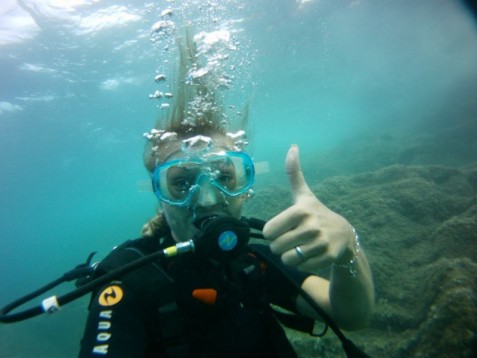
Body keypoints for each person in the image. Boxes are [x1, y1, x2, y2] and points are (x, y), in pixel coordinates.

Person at [78, 30, 374, 357]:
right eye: (181, 183)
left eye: (224, 176)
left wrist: (349, 248)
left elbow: (350, 315)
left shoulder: (255, 262)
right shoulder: (129, 283)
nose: (207, 199)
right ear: (160, 196)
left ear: (245, 188)